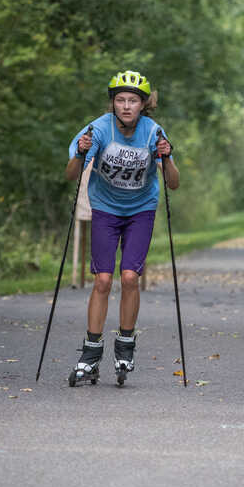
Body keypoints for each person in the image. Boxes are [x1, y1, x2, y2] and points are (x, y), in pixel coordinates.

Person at [66, 69, 179, 386]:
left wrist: (167, 158)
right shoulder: (97, 130)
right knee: (102, 280)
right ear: (112, 103)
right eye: (120, 100)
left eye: (133, 100)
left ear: (143, 105)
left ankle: (125, 348)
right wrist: (81, 152)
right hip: (105, 208)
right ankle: (90, 354)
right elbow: (71, 175)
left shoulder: (153, 132)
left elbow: (174, 183)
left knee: (130, 277)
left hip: (141, 210)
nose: (126, 106)